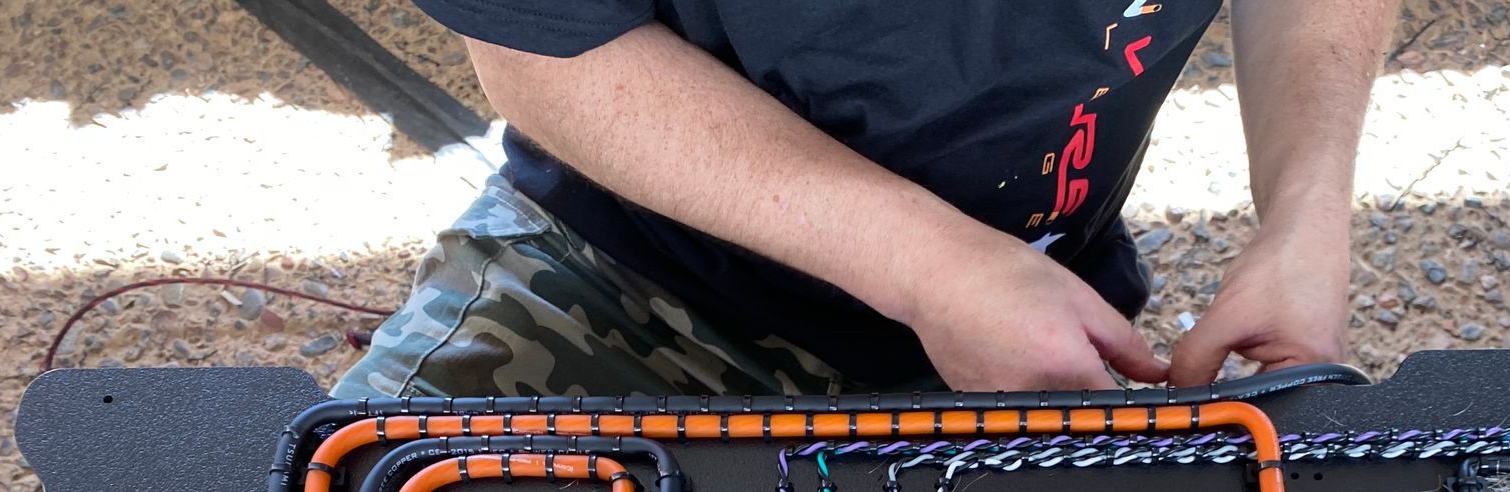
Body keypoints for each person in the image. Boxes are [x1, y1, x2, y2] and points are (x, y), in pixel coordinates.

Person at [336, 0, 1397, 402]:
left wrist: (1306, 217)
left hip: (1033, 303)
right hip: (629, 282)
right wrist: (927, 263)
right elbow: (550, 51)